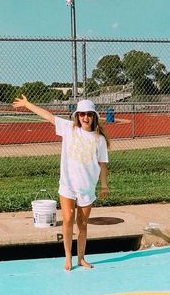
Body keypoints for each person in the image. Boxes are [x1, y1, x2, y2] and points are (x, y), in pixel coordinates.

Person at [12, 95, 109, 270]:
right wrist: (27, 104)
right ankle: (68, 258)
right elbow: (48, 116)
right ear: (77, 116)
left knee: (82, 224)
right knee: (67, 219)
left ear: (94, 116)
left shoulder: (99, 139)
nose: (85, 117)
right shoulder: (69, 129)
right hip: (68, 186)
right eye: (81, 114)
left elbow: (102, 164)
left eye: (88, 114)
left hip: (87, 188)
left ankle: (81, 258)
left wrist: (104, 185)